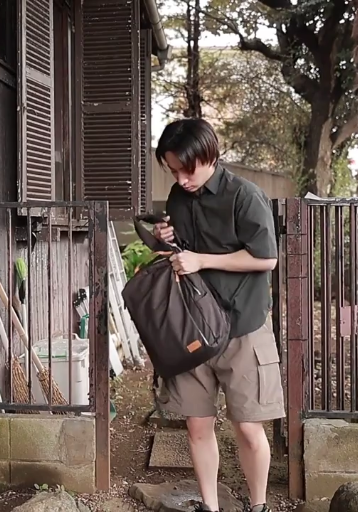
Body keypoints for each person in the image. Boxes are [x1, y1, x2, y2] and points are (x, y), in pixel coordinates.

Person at [151, 118, 284, 512]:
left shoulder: (245, 196)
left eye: (187, 170)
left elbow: (266, 258)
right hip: (192, 325)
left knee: (248, 426)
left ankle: (258, 506)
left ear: (209, 156)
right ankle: (209, 507)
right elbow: (180, 255)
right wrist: (165, 240)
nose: (181, 179)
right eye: (173, 171)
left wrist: (201, 259)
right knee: (197, 425)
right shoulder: (178, 197)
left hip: (243, 324)